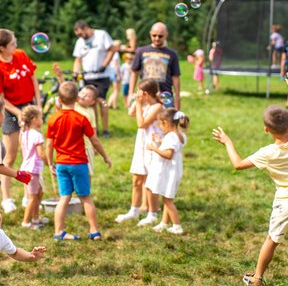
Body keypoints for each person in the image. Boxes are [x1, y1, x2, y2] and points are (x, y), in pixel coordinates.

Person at [212, 72, 288, 286]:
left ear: (266, 130)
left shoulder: (267, 153)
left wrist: (227, 142)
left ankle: (256, 278)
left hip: (284, 202)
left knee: (272, 240)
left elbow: (237, 164)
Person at [46, 82, 112, 241]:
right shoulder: (81, 118)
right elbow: (94, 141)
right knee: (85, 198)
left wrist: (49, 163)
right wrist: (105, 156)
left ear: (59, 99)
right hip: (79, 164)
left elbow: (49, 144)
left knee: (64, 198)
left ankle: (59, 232)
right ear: (76, 98)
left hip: (61, 164)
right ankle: (94, 231)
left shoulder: (53, 118)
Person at [0, 29, 40, 213]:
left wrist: (37, 106)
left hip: (29, 108)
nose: (16, 45)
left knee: (29, 156)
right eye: (12, 43)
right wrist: (18, 112)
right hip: (10, 111)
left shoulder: (21, 55)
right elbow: (1, 98)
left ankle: (28, 195)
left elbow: (33, 80)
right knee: (10, 156)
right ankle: (6, 197)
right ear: (2, 48)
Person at [116, 78, 163, 224]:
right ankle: (134, 211)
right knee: (137, 180)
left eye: (139, 92)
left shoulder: (157, 107)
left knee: (150, 181)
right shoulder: (146, 105)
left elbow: (141, 124)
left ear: (146, 93)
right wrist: (137, 103)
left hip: (151, 146)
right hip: (141, 145)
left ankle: (152, 214)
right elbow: (131, 113)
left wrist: (138, 103)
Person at [145, 109, 189, 234]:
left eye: (160, 125)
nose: (160, 127)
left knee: (167, 200)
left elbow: (168, 154)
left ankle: (177, 226)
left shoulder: (171, 136)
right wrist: (160, 142)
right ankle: (164, 223)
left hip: (167, 172)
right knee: (166, 196)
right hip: (173, 170)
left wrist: (154, 148)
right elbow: (172, 148)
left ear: (165, 123)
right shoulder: (180, 135)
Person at [72, 21, 118, 137]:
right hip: (88, 77)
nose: (80, 36)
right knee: (90, 103)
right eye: (78, 35)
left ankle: (106, 129)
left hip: (102, 76)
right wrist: (75, 73)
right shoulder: (80, 42)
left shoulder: (101, 35)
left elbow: (112, 49)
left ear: (86, 28)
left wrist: (104, 65)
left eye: (81, 33)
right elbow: (78, 60)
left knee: (101, 101)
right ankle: (94, 129)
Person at [129, 22, 182, 110]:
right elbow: (134, 73)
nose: (157, 38)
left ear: (166, 35)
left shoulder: (172, 54)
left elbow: (175, 77)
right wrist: (131, 93)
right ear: (150, 34)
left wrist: (177, 97)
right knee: (145, 122)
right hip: (146, 95)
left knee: (166, 122)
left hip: (165, 96)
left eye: (160, 36)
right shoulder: (141, 51)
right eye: (154, 35)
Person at [19, 105, 47, 229]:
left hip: (25, 169)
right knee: (32, 197)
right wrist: (50, 162)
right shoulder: (37, 135)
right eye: (41, 117)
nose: (42, 120)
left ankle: (36, 219)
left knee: (39, 192)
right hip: (32, 171)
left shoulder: (24, 133)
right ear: (34, 119)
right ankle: (26, 222)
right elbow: (41, 154)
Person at [75, 85, 99, 178]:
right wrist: (60, 78)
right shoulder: (74, 104)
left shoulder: (91, 111)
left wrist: (95, 146)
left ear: (93, 102)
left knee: (88, 174)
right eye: (82, 92)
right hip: (74, 147)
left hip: (87, 148)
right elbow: (67, 92)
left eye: (88, 95)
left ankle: (86, 192)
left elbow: (93, 129)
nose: (83, 96)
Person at [107, 40, 122, 109]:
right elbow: (115, 64)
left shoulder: (110, 53)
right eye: (119, 46)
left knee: (114, 90)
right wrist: (118, 74)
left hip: (110, 71)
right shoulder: (115, 54)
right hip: (115, 72)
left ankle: (110, 103)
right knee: (117, 90)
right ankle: (114, 104)